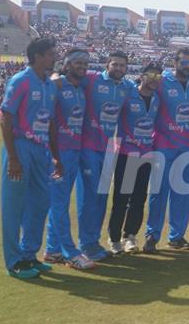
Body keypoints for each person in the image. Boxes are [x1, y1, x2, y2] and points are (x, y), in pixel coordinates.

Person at [0, 38, 61, 279]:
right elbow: (5, 119)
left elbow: (51, 123)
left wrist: (56, 156)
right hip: (20, 147)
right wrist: (13, 157)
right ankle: (14, 262)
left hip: (41, 150)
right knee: (14, 206)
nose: (54, 57)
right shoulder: (21, 81)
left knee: (41, 203)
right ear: (37, 56)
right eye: (50, 53)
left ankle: (28, 255)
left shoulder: (50, 85)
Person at [78, 50, 133, 261]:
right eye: (115, 64)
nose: (118, 68)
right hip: (88, 147)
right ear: (107, 64)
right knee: (89, 197)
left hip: (109, 149)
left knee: (101, 197)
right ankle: (85, 244)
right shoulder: (91, 79)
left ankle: (93, 242)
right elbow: (64, 81)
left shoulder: (127, 87)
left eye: (122, 65)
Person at [44, 49, 96, 270]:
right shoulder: (56, 85)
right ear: (65, 66)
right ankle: (70, 253)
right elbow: (47, 120)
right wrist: (55, 156)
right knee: (59, 204)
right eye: (77, 63)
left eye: (85, 63)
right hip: (58, 153)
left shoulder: (80, 87)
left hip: (74, 151)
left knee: (61, 202)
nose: (82, 66)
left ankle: (52, 250)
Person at [145, 48, 189, 253]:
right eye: (184, 62)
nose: (188, 66)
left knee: (182, 193)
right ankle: (152, 235)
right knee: (159, 193)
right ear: (175, 62)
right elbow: (140, 94)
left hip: (187, 147)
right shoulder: (161, 81)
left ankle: (177, 236)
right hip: (164, 146)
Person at [107, 62, 162, 255]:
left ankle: (129, 235)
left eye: (158, 76)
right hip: (127, 154)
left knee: (139, 199)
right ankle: (114, 239)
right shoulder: (129, 95)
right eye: (151, 75)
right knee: (121, 198)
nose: (155, 79)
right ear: (142, 75)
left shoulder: (156, 99)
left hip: (146, 155)